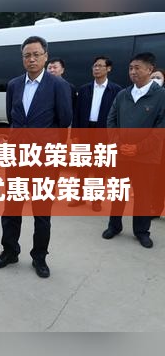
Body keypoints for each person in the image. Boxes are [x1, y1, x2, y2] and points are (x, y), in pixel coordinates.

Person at [0, 36, 72, 278]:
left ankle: (39, 257)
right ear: (22, 58)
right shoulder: (14, 84)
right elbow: (12, 118)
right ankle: (9, 251)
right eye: (27, 55)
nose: (32, 59)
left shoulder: (58, 85)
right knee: (11, 209)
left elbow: (64, 120)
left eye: (36, 54)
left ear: (46, 56)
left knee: (42, 213)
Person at [103, 53, 165, 248]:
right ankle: (114, 226)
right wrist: (118, 144)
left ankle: (142, 231)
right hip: (121, 154)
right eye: (131, 68)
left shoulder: (161, 96)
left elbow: (160, 129)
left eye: (137, 68)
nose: (133, 72)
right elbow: (111, 120)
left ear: (149, 69)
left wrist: (138, 148)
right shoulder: (123, 94)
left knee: (143, 196)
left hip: (146, 158)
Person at [70, 56, 122, 211]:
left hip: (104, 132)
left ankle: (96, 200)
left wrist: (114, 136)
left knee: (100, 168)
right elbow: (77, 113)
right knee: (82, 167)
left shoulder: (116, 90)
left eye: (100, 66)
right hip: (85, 130)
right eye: (94, 66)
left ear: (108, 69)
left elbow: (117, 115)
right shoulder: (85, 89)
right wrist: (75, 134)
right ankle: (79, 197)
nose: (96, 69)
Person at [150, 68, 165, 217]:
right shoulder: (147, 96)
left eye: (158, 77)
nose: (155, 80)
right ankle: (155, 208)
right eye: (153, 77)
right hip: (154, 146)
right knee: (158, 179)